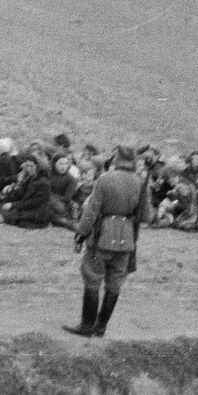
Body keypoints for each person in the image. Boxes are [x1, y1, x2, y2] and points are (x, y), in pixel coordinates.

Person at [65, 144, 151, 338]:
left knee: (93, 277)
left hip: (102, 236)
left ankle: (87, 325)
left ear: (116, 159)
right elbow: (147, 216)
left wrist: (81, 233)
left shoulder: (105, 179)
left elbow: (91, 210)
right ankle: (101, 326)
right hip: (127, 239)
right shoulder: (140, 182)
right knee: (115, 283)